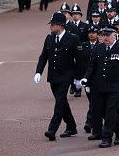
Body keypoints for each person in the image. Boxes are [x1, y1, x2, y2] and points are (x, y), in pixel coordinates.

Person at [81, 27, 119, 148]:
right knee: (101, 111)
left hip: (116, 86)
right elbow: (92, 66)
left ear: (114, 36)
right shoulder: (98, 47)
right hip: (100, 85)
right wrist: (86, 78)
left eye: (107, 35)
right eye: (103, 35)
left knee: (111, 111)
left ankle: (107, 138)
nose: (105, 37)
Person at [34, 12, 83, 141]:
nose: (50, 26)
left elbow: (79, 60)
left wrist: (78, 78)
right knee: (62, 103)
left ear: (60, 25)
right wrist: (38, 71)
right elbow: (43, 56)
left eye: (53, 24)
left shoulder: (73, 38)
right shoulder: (49, 38)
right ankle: (71, 126)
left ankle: (52, 129)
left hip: (67, 76)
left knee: (59, 102)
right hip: (53, 76)